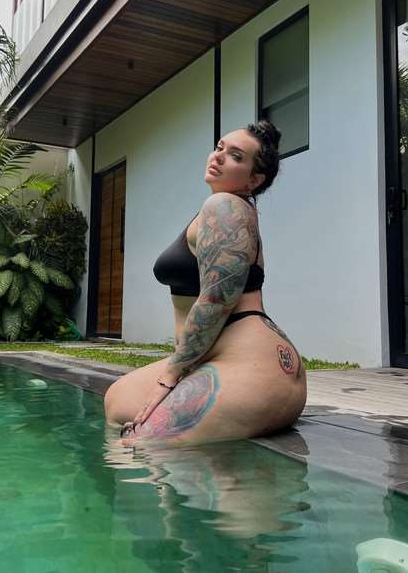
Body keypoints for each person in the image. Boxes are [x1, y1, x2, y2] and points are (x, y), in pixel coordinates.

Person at [104, 120, 307, 445]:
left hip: (252, 369)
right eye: (219, 148)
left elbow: (217, 300)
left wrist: (169, 378)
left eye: (236, 156)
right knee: (117, 401)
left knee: (139, 445)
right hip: (250, 363)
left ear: (254, 179)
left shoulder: (224, 207)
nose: (219, 156)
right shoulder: (227, 209)